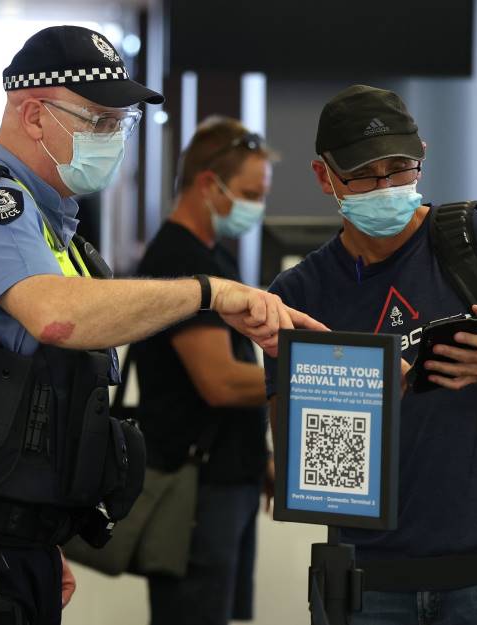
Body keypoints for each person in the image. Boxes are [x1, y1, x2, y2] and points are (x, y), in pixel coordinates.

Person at [0, 26, 323, 625]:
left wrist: (39, 531)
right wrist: (208, 293)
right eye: (97, 120)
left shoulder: (55, 235)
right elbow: (56, 319)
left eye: (119, 124)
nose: (112, 139)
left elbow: (33, 394)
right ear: (32, 115)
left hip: (0, 537)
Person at [262, 84, 477, 624]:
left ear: (423, 159)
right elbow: (301, 470)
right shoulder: (300, 294)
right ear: (325, 176)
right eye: (365, 174)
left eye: (400, 168)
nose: (386, 186)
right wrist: (356, 405)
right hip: (369, 577)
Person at [131, 117, 276, 625]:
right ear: (209, 184)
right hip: (196, 492)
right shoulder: (178, 260)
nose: (256, 207)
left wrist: (259, 456)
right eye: (249, 193)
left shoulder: (215, 257)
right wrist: (309, 380)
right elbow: (219, 381)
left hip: (226, 480)